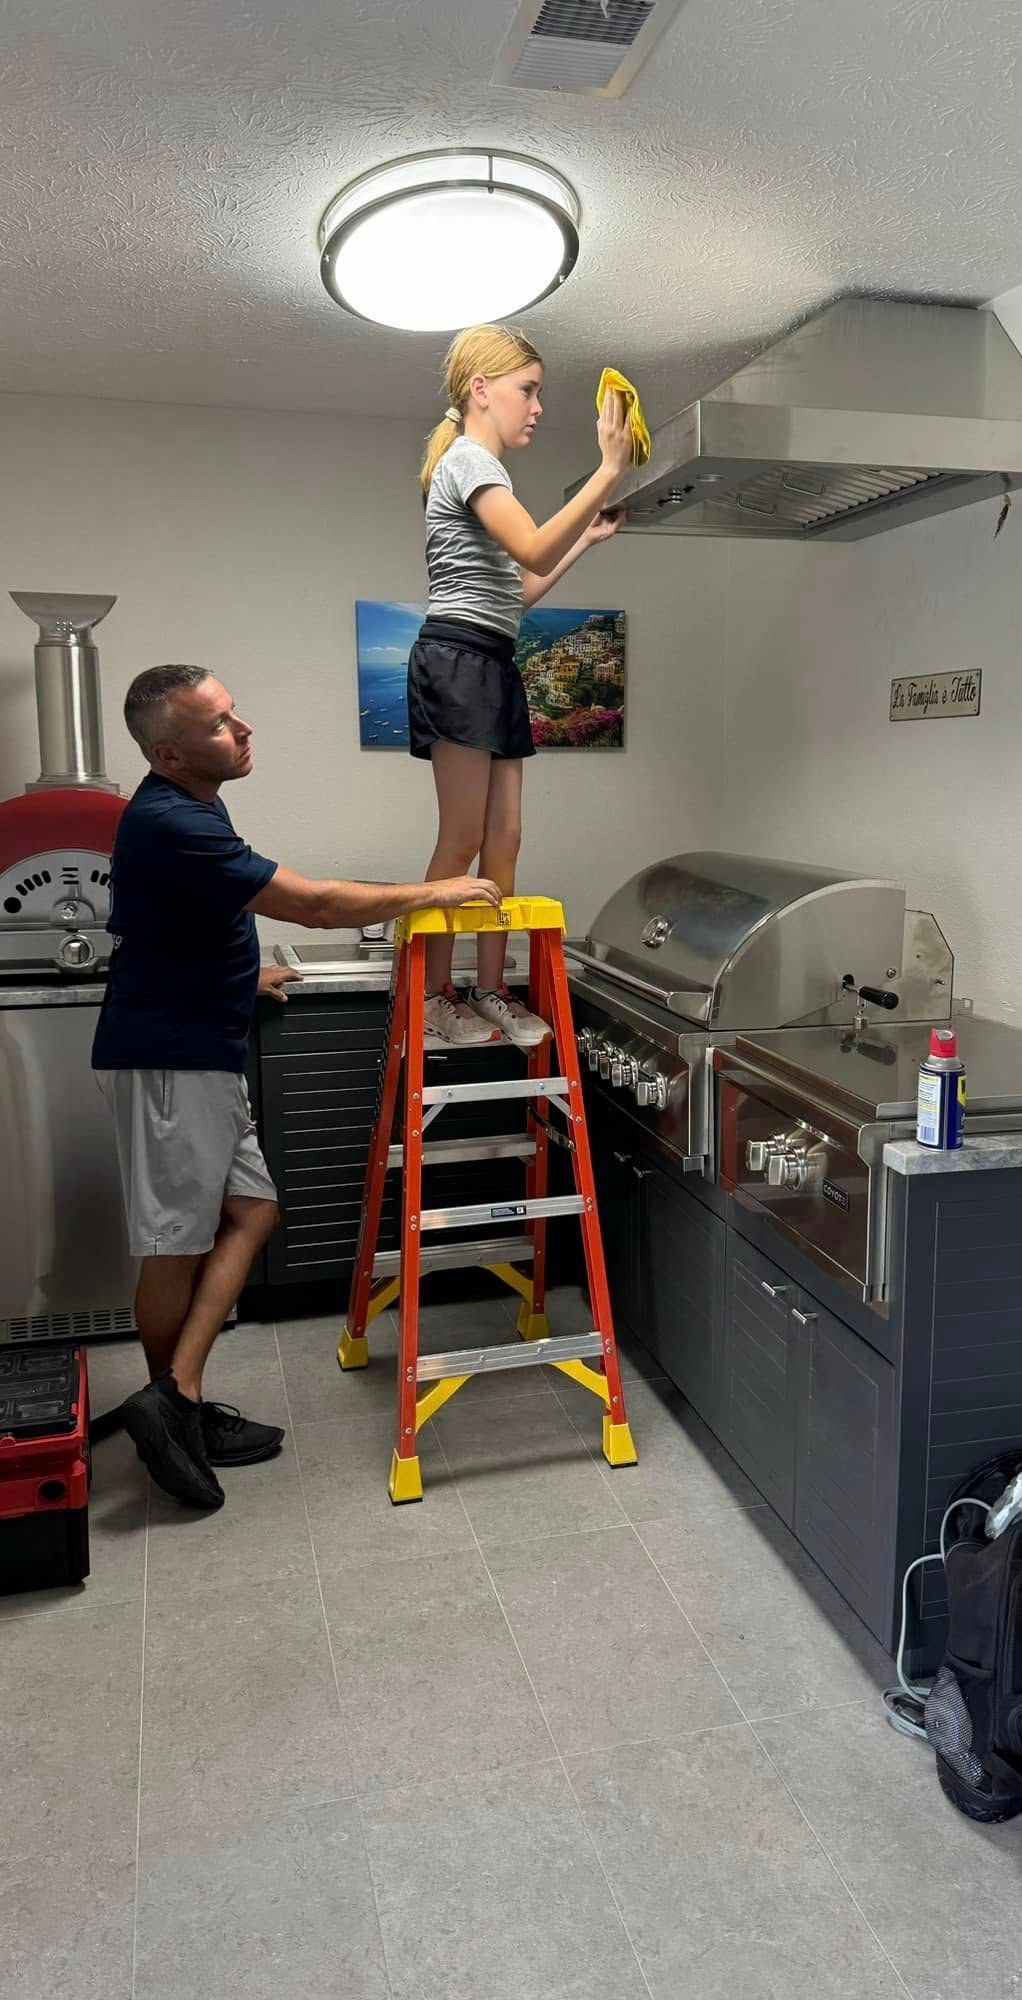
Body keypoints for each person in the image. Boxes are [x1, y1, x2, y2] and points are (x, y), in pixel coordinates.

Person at [92, 663, 500, 1512]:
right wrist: (436, 889)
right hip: (172, 1059)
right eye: (217, 724)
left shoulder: (197, 804)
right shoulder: (171, 817)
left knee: (254, 1212)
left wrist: (241, 982)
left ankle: (176, 1397)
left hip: (204, 1038)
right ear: (168, 753)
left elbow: (189, 918)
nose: (241, 731)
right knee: (177, 1241)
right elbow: (310, 905)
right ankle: (176, 1408)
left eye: (235, 714)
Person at [409, 322, 632, 1047]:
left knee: (504, 836)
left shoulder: (481, 468)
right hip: (458, 659)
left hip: (491, 656)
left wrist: (587, 543)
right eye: (527, 391)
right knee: (462, 838)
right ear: (481, 390)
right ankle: (430, 995)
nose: (537, 407)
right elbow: (533, 541)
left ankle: (489, 989)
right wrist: (607, 468)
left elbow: (519, 588)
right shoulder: (472, 462)